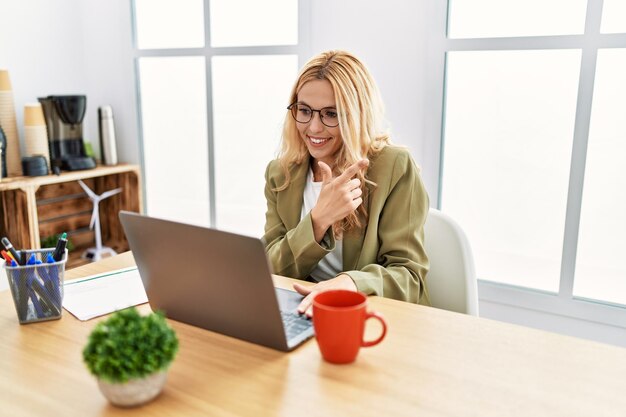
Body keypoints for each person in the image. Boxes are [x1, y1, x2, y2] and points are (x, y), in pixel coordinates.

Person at [263, 50, 429, 317]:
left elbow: (410, 278)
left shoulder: (394, 166)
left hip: (369, 316)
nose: (314, 128)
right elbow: (271, 268)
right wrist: (318, 220)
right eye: (304, 110)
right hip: (304, 313)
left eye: (331, 114)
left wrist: (350, 283)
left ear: (356, 114)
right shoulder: (280, 174)